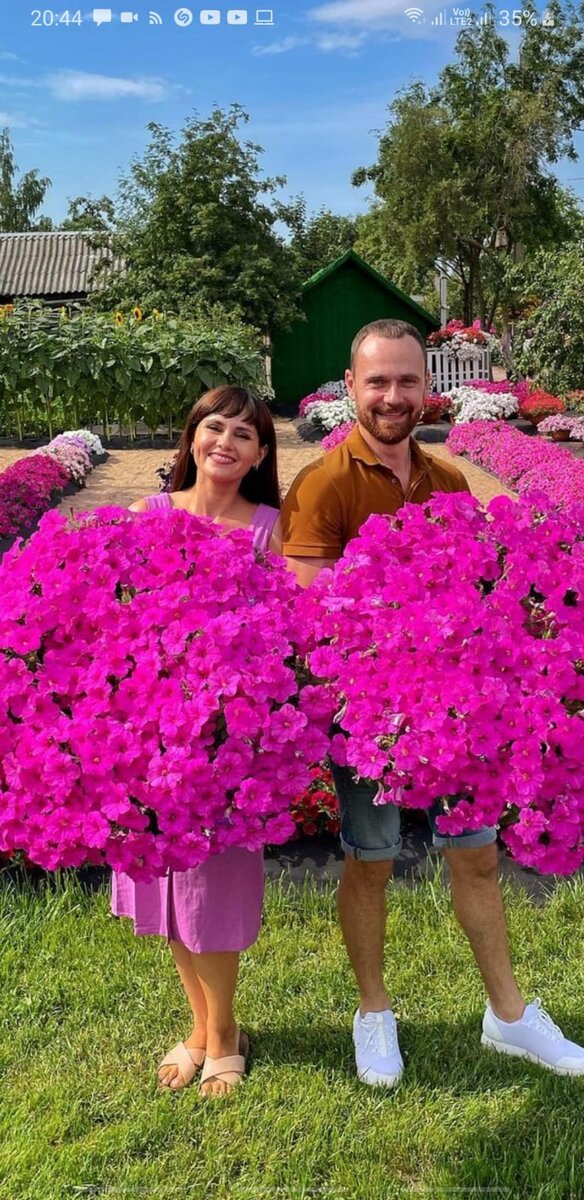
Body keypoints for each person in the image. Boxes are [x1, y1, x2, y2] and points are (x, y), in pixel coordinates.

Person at [282, 318, 584, 1087]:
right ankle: (374, 1012)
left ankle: (508, 1015)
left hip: (461, 716)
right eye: (377, 381)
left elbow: (479, 591)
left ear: (428, 389)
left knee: (477, 857)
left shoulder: (447, 481)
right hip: (370, 725)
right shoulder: (322, 484)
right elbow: (311, 616)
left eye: (407, 381)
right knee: (371, 862)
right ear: (351, 387)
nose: (393, 396)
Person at [111, 385, 282, 1097]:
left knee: (210, 896)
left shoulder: (268, 530)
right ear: (191, 437)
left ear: (261, 455)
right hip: (147, 744)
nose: (226, 442)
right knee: (169, 890)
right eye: (215, 427)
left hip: (228, 752)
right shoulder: (145, 518)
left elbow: (287, 633)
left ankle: (223, 1032)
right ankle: (203, 1027)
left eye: (245, 434)